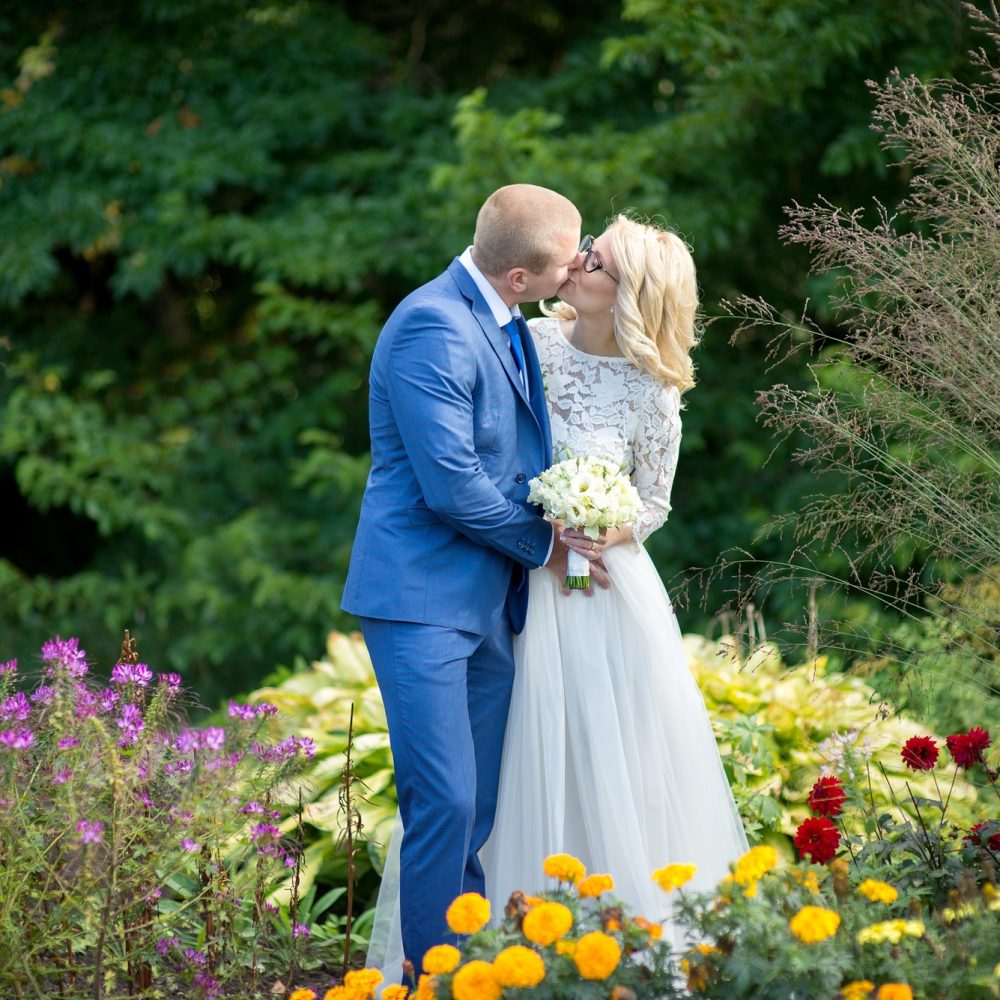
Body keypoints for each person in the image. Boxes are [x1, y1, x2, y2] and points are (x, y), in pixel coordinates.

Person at [342, 184, 594, 982]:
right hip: (421, 601)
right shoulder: (432, 326)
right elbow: (450, 481)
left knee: (475, 806)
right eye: (566, 260)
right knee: (443, 801)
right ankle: (428, 981)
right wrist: (544, 543)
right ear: (518, 276)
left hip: (489, 602)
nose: (577, 266)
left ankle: (465, 970)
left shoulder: (506, 320)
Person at [481, 214, 748, 943]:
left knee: (608, 755)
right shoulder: (524, 344)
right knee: (514, 755)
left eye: (595, 257)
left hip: (601, 593)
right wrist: (547, 531)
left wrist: (598, 529)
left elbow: (654, 504)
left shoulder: (651, 392)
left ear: (627, 292)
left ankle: (620, 943)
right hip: (519, 577)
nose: (577, 259)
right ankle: (513, 942)